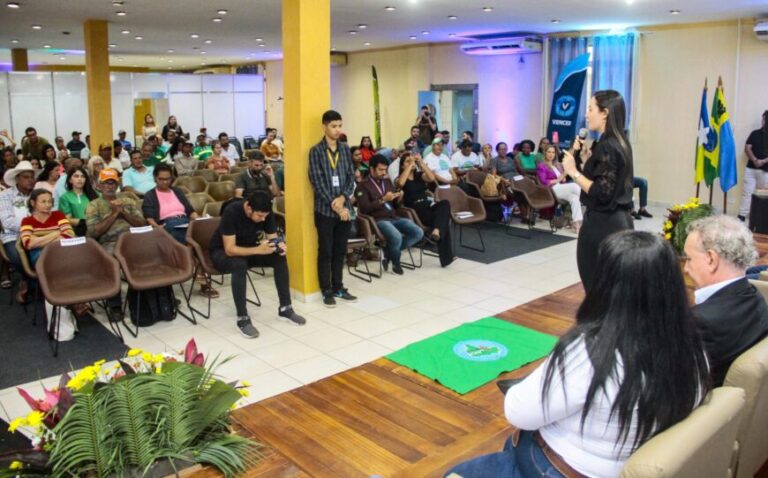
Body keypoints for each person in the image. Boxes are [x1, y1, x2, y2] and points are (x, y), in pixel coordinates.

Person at [445, 231, 711, 478]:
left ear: (606, 283)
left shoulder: (593, 352)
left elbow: (518, 412)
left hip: (559, 468)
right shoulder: (693, 345)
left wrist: (551, 367)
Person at [562, 90, 635, 292]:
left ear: (605, 113)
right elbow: (605, 179)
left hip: (604, 226)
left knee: (598, 288)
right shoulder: (619, 141)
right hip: (619, 222)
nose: (586, 114)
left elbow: (602, 192)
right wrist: (582, 160)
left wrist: (573, 172)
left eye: (590, 109)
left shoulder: (608, 146)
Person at [684, 215, 768, 386]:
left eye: (689, 259)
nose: (685, 268)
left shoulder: (700, 322)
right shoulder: (757, 298)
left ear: (711, 259)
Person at [210, 192, 306, 338]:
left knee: (279, 259)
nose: (263, 219)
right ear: (249, 208)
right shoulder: (231, 212)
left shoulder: (266, 213)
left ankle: (285, 309)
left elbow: (273, 239)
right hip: (222, 252)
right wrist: (258, 250)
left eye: (265, 216)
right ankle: (242, 319)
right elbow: (229, 249)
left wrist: (279, 247)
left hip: (249, 248)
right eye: (260, 216)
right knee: (239, 264)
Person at [308, 109, 357, 307]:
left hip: (344, 208)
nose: (337, 130)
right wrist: (336, 205)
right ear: (324, 127)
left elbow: (351, 177)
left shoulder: (345, 149)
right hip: (325, 211)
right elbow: (317, 182)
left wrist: (343, 198)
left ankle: (338, 286)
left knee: (340, 250)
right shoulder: (316, 151)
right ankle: (326, 290)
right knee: (326, 251)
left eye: (340, 126)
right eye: (333, 126)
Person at [85, 168, 146, 319]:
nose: (110, 186)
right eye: (106, 183)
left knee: (151, 254)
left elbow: (142, 224)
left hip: (132, 239)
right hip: (110, 243)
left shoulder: (128, 201)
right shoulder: (94, 205)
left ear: (117, 185)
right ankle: (115, 306)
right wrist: (114, 213)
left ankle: (155, 297)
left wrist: (123, 212)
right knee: (111, 262)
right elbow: (93, 232)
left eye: (113, 183)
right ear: (99, 186)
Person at [356, 154, 424, 275]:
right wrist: (383, 199)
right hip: (377, 220)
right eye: (380, 170)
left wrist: (399, 198)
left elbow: (396, 205)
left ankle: (388, 253)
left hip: (394, 217)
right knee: (396, 237)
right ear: (371, 169)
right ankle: (396, 264)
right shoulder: (362, 186)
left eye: (385, 170)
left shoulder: (387, 182)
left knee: (418, 232)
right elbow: (365, 208)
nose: (384, 173)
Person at [397, 151, 453, 267]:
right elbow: (400, 183)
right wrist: (410, 165)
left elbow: (432, 178)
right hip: (416, 210)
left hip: (427, 204)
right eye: (407, 161)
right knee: (443, 221)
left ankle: (436, 230)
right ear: (402, 166)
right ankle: (446, 259)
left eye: (412, 161)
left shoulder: (419, 175)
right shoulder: (401, 178)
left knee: (445, 203)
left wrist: (421, 162)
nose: (411, 163)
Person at [20, 189, 75, 299]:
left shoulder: (58, 215)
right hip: (39, 255)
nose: (48, 205)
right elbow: (28, 244)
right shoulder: (27, 221)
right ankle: (66, 298)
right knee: (54, 261)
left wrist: (39, 239)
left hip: (61, 251)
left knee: (69, 259)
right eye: (43, 202)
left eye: (50, 201)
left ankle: (67, 297)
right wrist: (55, 233)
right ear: (33, 203)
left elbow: (69, 235)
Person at [0, 161, 35, 302]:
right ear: (17, 179)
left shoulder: (37, 194)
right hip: (13, 236)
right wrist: (30, 228)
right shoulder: (5, 195)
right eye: (26, 177)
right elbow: (7, 221)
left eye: (32, 177)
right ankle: (30, 281)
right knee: (16, 257)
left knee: (48, 254)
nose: (30, 180)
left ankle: (34, 283)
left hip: (38, 235)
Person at [142, 163, 197, 243]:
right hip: (168, 224)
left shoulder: (177, 191)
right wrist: (157, 227)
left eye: (168, 179)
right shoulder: (150, 195)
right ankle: (189, 247)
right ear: (155, 178)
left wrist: (198, 220)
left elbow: (190, 211)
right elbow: (149, 218)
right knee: (181, 235)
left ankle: (189, 248)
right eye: (161, 179)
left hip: (185, 221)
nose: (165, 182)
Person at [537, 145, 583, 233]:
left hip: (560, 188)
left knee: (575, 198)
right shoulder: (542, 165)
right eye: (549, 152)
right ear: (545, 153)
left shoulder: (557, 165)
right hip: (551, 190)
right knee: (574, 185)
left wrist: (563, 177)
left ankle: (576, 224)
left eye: (553, 152)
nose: (551, 154)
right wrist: (558, 179)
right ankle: (589, 200)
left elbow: (562, 179)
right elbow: (544, 181)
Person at [738, 110, 768, 221]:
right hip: (751, 169)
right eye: (762, 119)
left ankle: (759, 219)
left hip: (765, 171)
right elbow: (747, 147)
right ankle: (742, 215)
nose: (762, 121)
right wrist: (755, 160)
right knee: (747, 193)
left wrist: (763, 161)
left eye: (764, 119)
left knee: (763, 195)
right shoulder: (755, 133)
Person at [59, 166, 99, 237]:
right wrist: (84, 222)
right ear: (70, 180)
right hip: (77, 232)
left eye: (82, 176)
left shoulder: (94, 194)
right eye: (76, 176)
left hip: (97, 229)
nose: (80, 179)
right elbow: (67, 219)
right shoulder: (65, 197)